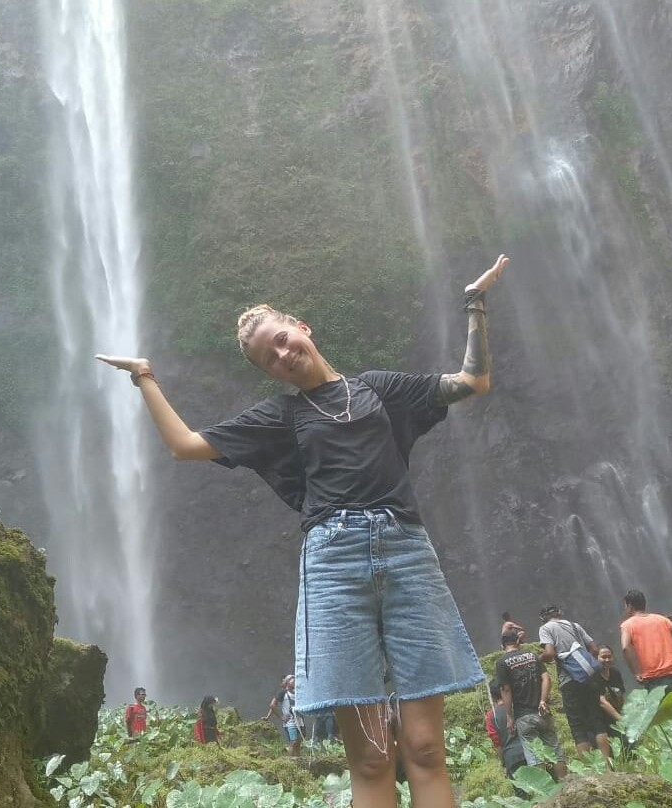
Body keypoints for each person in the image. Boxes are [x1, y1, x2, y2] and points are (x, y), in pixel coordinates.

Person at [97, 253, 509, 808]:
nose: (284, 353)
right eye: (271, 358)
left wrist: (474, 302)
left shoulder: (380, 388)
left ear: (301, 326)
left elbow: (473, 380)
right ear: (270, 373)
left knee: (426, 747)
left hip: (407, 551)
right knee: (369, 756)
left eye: (284, 338)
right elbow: (184, 446)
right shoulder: (281, 417)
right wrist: (144, 376)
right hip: (333, 567)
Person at [537, 605, 609, 758]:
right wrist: (585, 664)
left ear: (543, 618)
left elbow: (549, 654)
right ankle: (609, 767)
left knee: (578, 727)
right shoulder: (574, 626)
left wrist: (538, 659)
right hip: (589, 679)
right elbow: (595, 650)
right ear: (559, 614)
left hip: (569, 681)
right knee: (597, 721)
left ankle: (590, 771)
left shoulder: (545, 628)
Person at [495, 629, 566, 780]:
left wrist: (509, 716)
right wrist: (542, 701)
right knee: (554, 750)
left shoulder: (501, 663)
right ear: (518, 641)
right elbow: (546, 678)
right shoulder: (533, 656)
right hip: (542, 712)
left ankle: (544, 794)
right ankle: (565, 785)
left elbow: (506, 689)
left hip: (523, 715)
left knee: (534, 756)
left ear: (502, 646)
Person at [620, 589, 672, 693]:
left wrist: (636, 673)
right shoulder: (661, 619)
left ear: (630, 606)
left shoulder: (627, 625)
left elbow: (625, 647)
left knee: (663, 708)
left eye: (625, 606)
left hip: (654, 678)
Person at [587, 646, 626, 756]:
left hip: (615, 714)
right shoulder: (593, 676)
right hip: (598, 718)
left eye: (609, 657)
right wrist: (620, 718)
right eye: (603, 657)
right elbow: (602, 702)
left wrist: (626, 714)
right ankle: (607, 768)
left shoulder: (615, 673)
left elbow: (621, 695)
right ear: (596, 658)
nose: (607, 660)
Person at [485, 680, 528, 777]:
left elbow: (497, 744)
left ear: (493, 696)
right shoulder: (518, 705)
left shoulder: (491, 716)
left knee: (521, 789)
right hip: (530, 751)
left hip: (511, 758)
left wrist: (504, 764)